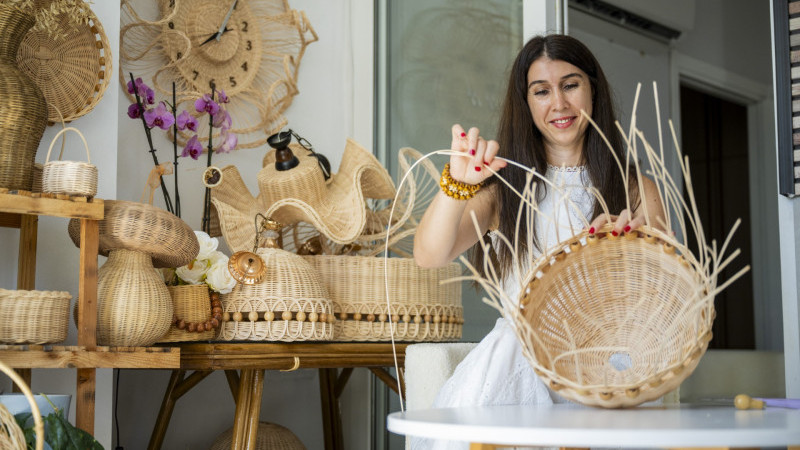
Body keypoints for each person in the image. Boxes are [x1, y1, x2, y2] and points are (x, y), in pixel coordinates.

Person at [412, 34, 665, 449]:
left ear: (593, 90)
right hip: (517, 367)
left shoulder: (636, 187)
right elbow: (428, 255)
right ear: (526, 102)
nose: (559, 105)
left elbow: (659, 301)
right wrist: (456, 182)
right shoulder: (501, 189)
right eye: (541, 91)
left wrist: (630, 253)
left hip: (608, 369)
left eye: (570, 85)